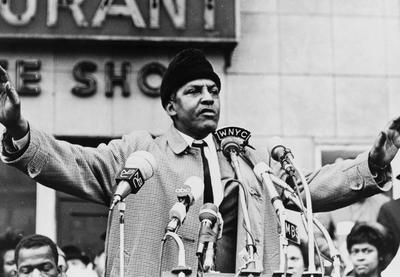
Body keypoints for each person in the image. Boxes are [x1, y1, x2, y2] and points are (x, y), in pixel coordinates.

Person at [0, 48, 399, 276]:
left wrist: (371, 164)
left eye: (213, 90)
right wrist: (19, 128)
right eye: (194, 91)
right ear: (171, 106)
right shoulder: (141, 154)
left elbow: (307, 187)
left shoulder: (245, 158)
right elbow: (73, 162)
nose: (208, 97)